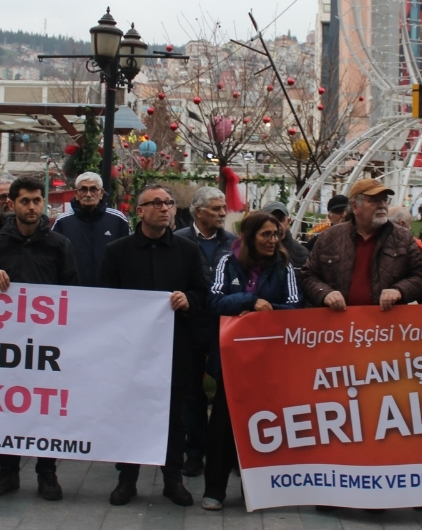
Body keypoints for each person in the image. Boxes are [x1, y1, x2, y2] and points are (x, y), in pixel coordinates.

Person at [99, 184, 209, 508]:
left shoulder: (187, 251)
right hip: (130, 351)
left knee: (174, 417)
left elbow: (202, 293)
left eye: (169, 203)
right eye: (157, 203)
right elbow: (105, 298)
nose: (165, 208)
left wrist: (188, 300)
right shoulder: (117, 251)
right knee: (130, 413)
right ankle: (127, 478)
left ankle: (172, 479)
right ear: (140, 211)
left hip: (175, 349)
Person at [0, 176, 78, 501]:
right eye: (25, 201)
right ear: (12, 204)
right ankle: (8, 471)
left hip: (46, 344)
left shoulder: (59, 244)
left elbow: (72, 290)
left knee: (44, 408)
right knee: (8, 406)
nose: (32, 207)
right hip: (5, 343)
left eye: (36, 201)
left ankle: (47, 473)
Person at [201, 211, 302, 510]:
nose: (273, 240)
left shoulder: (284, 266)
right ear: (249, 237)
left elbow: (295, 306)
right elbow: (214, 300)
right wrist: (247, 301)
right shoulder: (227, 262)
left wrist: (262, 312)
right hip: (231, 360)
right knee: (222, 425)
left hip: (269, 361)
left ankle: (257, 489)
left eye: (276, 234)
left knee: (264, 425)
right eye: (265, 234)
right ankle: (214, 490)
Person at [174, 186, 235, 477]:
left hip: (225, 326)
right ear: (198, 211)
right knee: (192, 392)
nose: (222, 213)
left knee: (228, 391)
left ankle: (226, 453)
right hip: (190, 325)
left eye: (223, 208)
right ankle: (195, 451)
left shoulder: (233, 243)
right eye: (216, 208)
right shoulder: (179, 241)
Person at [302, 179, 422, 312]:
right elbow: (308, 275)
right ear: (355, 207)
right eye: (375, 201)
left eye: (385, 200)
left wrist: (399, 290)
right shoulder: (330, 237)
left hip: (387, 321)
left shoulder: (403, 237)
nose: (382, 205)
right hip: (339, 322)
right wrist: (325, 293)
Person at [51, 171, 129, 287]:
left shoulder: (118, 220)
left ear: (101, 193)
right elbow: (52, 259)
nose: (88, 194)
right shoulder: (63, 222)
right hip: (73, 291)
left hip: (109, 292)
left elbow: (127, 259)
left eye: (93, 189)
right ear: (76, 194)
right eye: (83, 190)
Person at [261, 202, 309, 268]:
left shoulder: (302, 254)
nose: (277, 224)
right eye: (271, 220)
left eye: (281, 219)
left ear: (288, 222)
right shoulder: (254, 252)